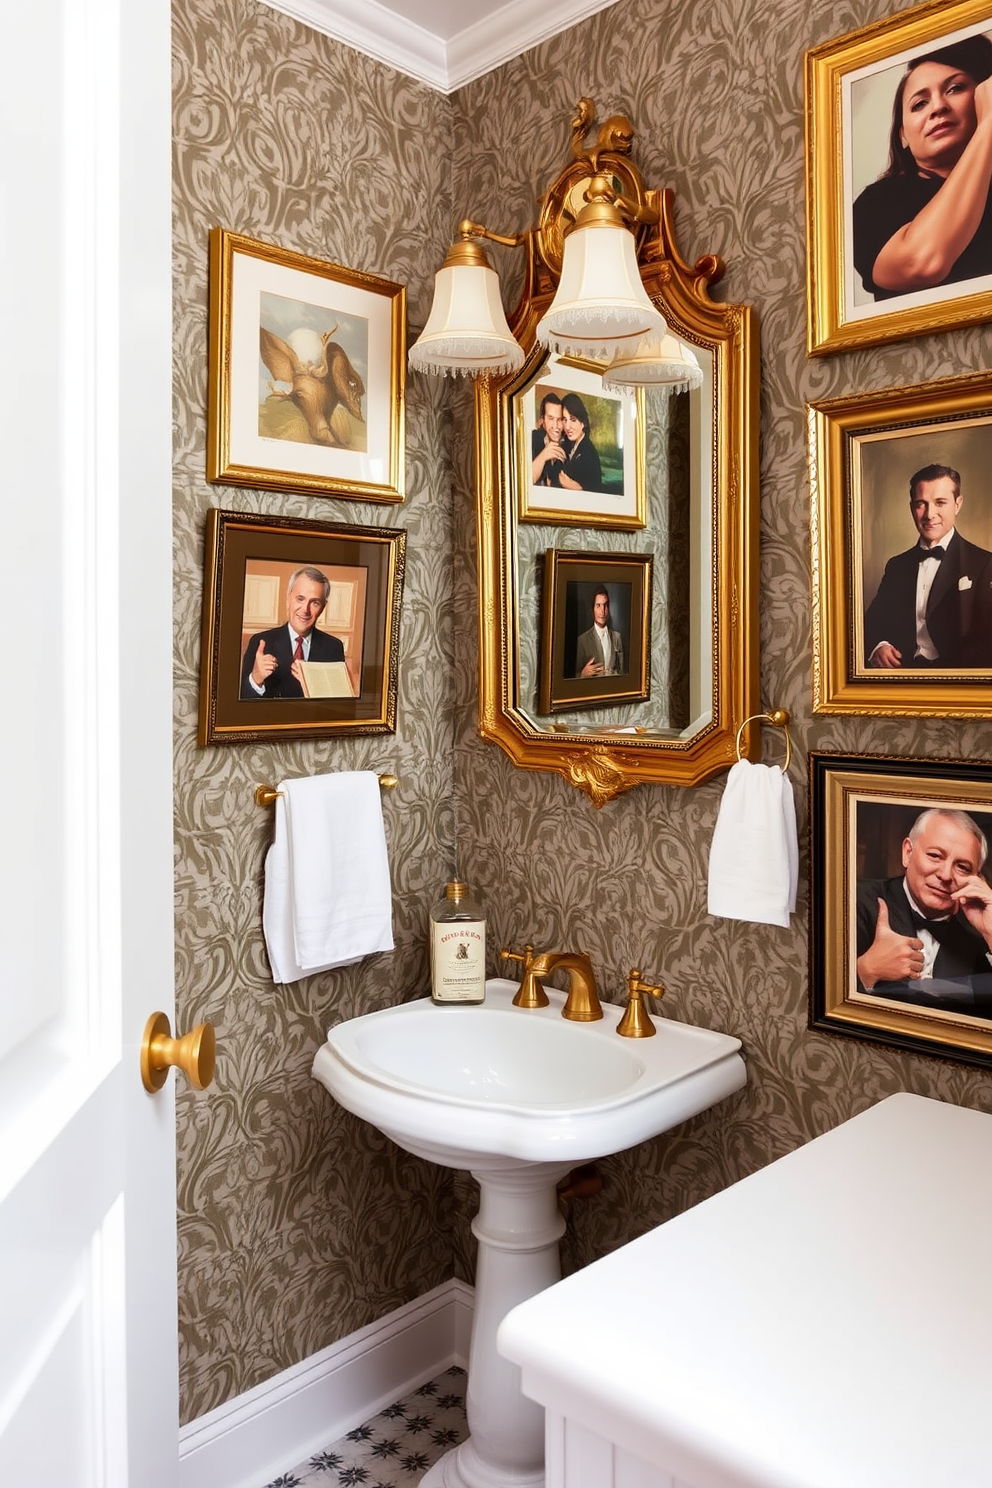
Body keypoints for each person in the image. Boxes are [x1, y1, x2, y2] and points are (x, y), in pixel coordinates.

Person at [852, 35, 992, 301]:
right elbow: (922, 263)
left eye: (955, 88)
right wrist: (988, 125)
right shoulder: (874, 204)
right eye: (919, 104)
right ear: (902, 135)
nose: (938, 107)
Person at [856, 807, 992, 1014]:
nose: (946, 875)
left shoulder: (981, 931)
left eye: (962, 867)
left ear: (977, 878)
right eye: (935, 856)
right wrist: (867, 969)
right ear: (907, 853)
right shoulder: (856, 899)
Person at [863, 462, 992, 669]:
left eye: (940, 502)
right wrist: (879, 646)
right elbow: (872, 622)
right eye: (921, 503)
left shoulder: (985, 563)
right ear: (911, 507)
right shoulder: (897, 565)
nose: (930, 514)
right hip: (902, 678)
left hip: (958, 681)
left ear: (957, 504)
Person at [240, 566, 345, 699]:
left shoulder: (333, 647)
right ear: (288, 598)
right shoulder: (261, 642)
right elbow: (239, 704)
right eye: (300, 599)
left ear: (323, 607)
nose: (305, 610)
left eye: (315, 602)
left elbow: (338, 706)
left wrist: (313, 687)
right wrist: (255, 679)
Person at [574, 585, 625, 679]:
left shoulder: (617, 637)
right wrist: (583, 674)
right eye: (598, 605)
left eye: (605, 605)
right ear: (592, 609)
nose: (602, 611)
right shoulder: (582, 640)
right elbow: (575, 677)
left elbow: (622, 672)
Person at [559, 392, 605, 494]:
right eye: (564, 420)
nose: (567, 427)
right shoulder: (567, 445)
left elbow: (595, 491)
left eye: (573, 420)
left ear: (583, 422)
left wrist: (577, 488)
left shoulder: (589, 454)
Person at [531, 392, 566, 486]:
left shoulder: (569, 444)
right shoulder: (533, 439)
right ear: (543, 421)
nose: (556, 426)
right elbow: (525, 481)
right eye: (551, 418)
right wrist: (543, 456)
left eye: (559, 420)